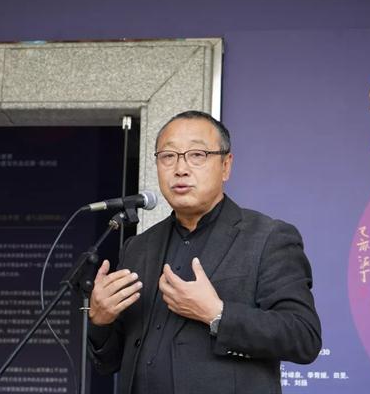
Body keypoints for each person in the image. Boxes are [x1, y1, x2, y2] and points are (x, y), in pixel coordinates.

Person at [87, 110, 321, 394]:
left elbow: (303, 336)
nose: (180, 169)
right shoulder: (138, 247)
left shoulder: (268, 237)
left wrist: (217, 314)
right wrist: (101, 320)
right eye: (168, 156)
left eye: (197, 155)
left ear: (226, 166)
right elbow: (110, 362)